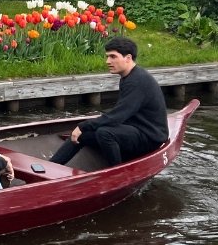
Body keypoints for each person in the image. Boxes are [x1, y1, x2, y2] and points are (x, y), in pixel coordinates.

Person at [49, 36, 168, 168]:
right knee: (83, 135)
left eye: (113, 57)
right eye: (107, 56)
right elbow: (119, 115)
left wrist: (84, 125)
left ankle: (116, 172)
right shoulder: (129, 77)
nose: (108, 61)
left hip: (149, 137)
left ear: (128, 58)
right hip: (134, 129)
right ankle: (51, 166)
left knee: (105, 133)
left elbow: (118, 115)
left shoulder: (138, 81)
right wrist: (85, 128)